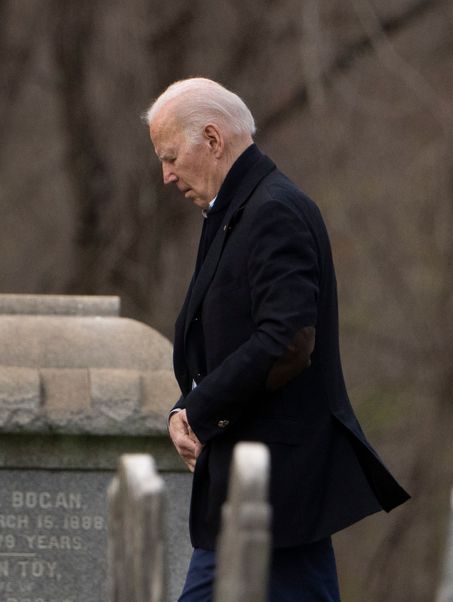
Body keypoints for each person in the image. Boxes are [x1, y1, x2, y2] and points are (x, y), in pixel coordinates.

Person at [145, 78, 409, 601]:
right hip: (254, 489)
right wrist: (186, 407)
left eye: (172, 156)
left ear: (214, 140)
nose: (166, 174)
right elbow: (223, 347)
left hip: (275, 489)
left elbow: (287, 339)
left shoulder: (273, 211)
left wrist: (198, 410)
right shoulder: (233, 213)